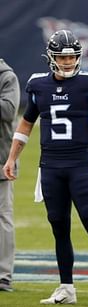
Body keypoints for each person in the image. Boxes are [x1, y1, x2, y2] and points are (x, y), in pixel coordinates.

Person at [2, 30, 88, 306]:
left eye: (72, 57)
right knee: (59, 226)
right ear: (51, 58)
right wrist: (11, 158)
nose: (68, 62)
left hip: (80, 163)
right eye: (62, 57)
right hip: (51, 166)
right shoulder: (38, 86)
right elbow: (25, 125)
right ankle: (66, 287)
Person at [0, 59, 20, 292]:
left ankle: (3, 274)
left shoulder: (7, 76)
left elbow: (8, 110)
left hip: (2, 158)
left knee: (3, 215)